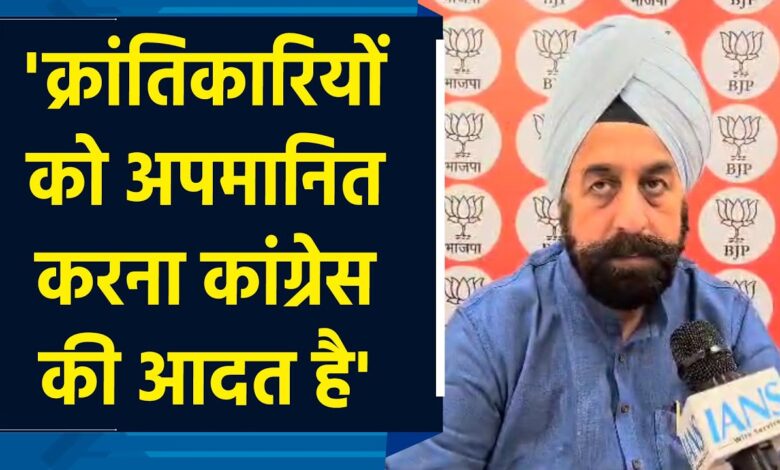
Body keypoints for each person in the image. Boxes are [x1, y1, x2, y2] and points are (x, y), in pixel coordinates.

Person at [386, 14, 780, 469]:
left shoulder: (727, 324)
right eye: (602, 185)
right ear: (564, 198)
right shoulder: (487, 336)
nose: (630, 219)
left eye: (654, 185)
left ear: (682, 197)